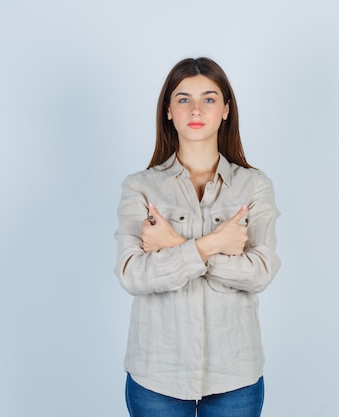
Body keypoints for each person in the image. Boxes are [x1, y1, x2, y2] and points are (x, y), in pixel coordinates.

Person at [114, 57, 281, 417]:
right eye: (183, 98)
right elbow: (132, 274)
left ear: (225, 110)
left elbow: (260, 272)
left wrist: (176, 246)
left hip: (235, 375)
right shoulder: (140, 187)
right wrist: (212, 244)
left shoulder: (254, 186)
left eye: (208, 98)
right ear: (168, 111)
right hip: (156, 375)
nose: (196, 109)